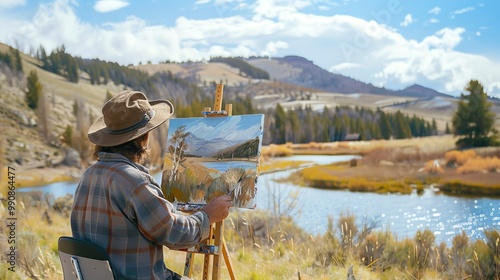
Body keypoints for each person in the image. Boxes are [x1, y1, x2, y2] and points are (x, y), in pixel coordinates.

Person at [70, 90, 233, 280]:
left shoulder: (88, 176)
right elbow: (172, 232)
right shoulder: (134, 181)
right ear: (143, 137)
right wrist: (207, 216)